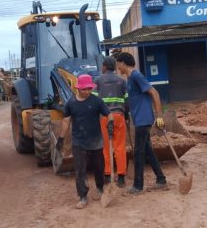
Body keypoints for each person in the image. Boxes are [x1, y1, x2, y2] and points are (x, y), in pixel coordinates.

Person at [57, 74, 115, 209]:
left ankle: (100, 188)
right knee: (80, 170)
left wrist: (110, 123)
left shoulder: (97, 101)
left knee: (99, 167)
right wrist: (61, 138)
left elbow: (109, 114)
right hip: (79, 142)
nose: (87, 92)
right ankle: (83, 196)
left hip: (96, 141)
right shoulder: (71, 103)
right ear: (78, 89)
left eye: (89, 89)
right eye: (85, 89)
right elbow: (66, 121)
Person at [114, 52, 167, 195]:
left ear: (123, 63)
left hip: (144, 120)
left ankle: (138, 186)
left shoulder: (136, 76)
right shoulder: (130, 79)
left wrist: (159, 116)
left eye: (118, 63)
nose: (117, 66)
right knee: (148, 150)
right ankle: (161, 179)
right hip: (139, 119)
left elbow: (154, 93)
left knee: (139, 152)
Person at [93, 56, 128, 188]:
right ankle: (121, 178)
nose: (101, 68)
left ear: (105, 67)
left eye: (102, 65)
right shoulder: (122, 81)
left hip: (105, 118)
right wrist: (127, 115)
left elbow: (95, 101)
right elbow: (127, 100)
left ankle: (107, 176)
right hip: (119, 116)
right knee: (119, 147)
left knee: (106, 147)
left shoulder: (98, 81)